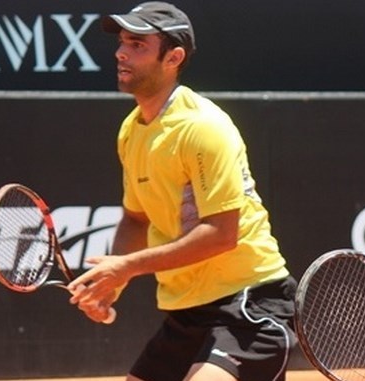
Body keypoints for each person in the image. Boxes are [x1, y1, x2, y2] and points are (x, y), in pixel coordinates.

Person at [67, 3, 297, 381]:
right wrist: (114, 283)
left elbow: (222, 234)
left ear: (173, 58)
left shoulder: (202, 128)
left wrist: (127, 267)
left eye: (138, 44)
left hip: (250, 307)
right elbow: (135, 217)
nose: (121, 52)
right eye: (123, 42)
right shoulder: (132, 131)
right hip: (189, 313)